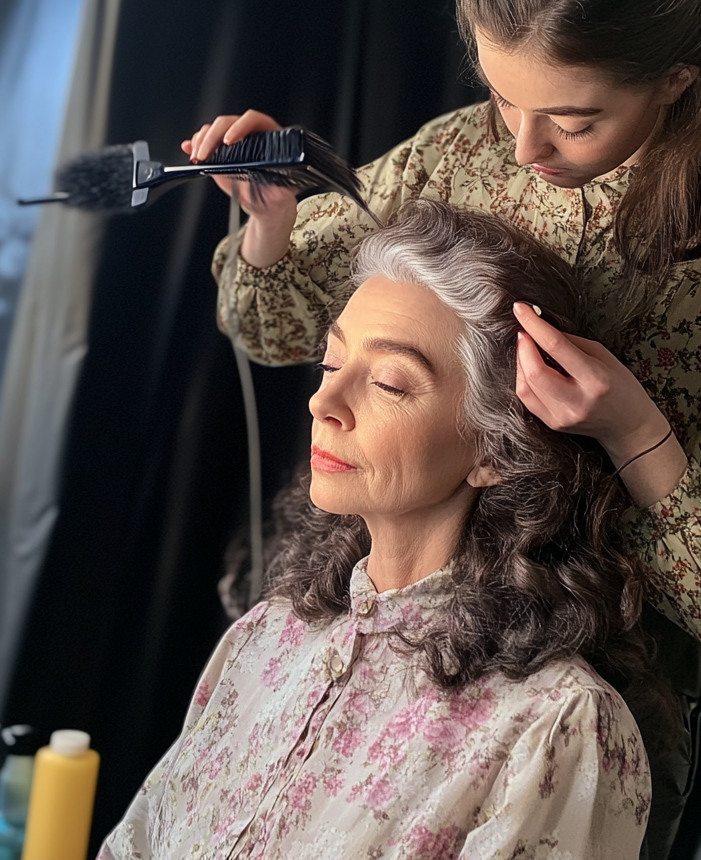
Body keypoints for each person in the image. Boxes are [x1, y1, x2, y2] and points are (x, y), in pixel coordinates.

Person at [186, 0, 701, 856]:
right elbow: (281, 329)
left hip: (570, 735)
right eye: (504, 99)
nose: (523, 147)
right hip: (382, 660)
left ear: (677, 77)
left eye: (573, 116)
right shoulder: (458, 152)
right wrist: (268, 230)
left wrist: (637, 437)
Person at [101, 200, 659, 860]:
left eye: (391, 382)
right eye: (333, 366)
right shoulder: (266, 639)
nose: (323, 402)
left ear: (495, 449)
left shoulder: (554, 727)